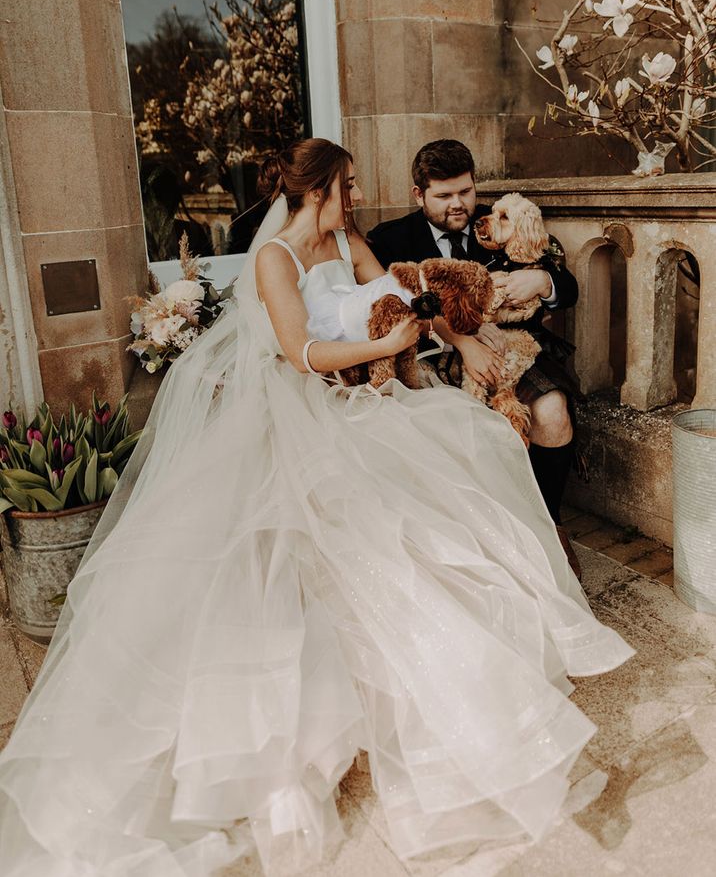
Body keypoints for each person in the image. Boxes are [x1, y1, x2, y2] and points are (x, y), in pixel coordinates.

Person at [0, 139, 631, 877]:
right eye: (348, 185)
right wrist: (387, 341)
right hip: (305, 406)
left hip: (369, 394)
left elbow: (399, 287)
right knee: (311, 548)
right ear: (316, 190)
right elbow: (299, 349)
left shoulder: (345, 239)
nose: (357, 196)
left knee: (460, 469)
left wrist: (439, 326)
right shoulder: (276, 261)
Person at [367, 139, 581, 572]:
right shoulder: (390, 240)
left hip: (514, 348)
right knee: (457, 428)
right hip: (433, 354)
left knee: (554, 411)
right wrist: (462, 341)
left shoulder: (499, 225)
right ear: (419, 195)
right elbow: (396, 305)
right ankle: (481, 539)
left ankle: (549, 527)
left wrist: (542, 280)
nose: (458, 205)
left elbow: (567, 288)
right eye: (443, 196)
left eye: (464, 191)